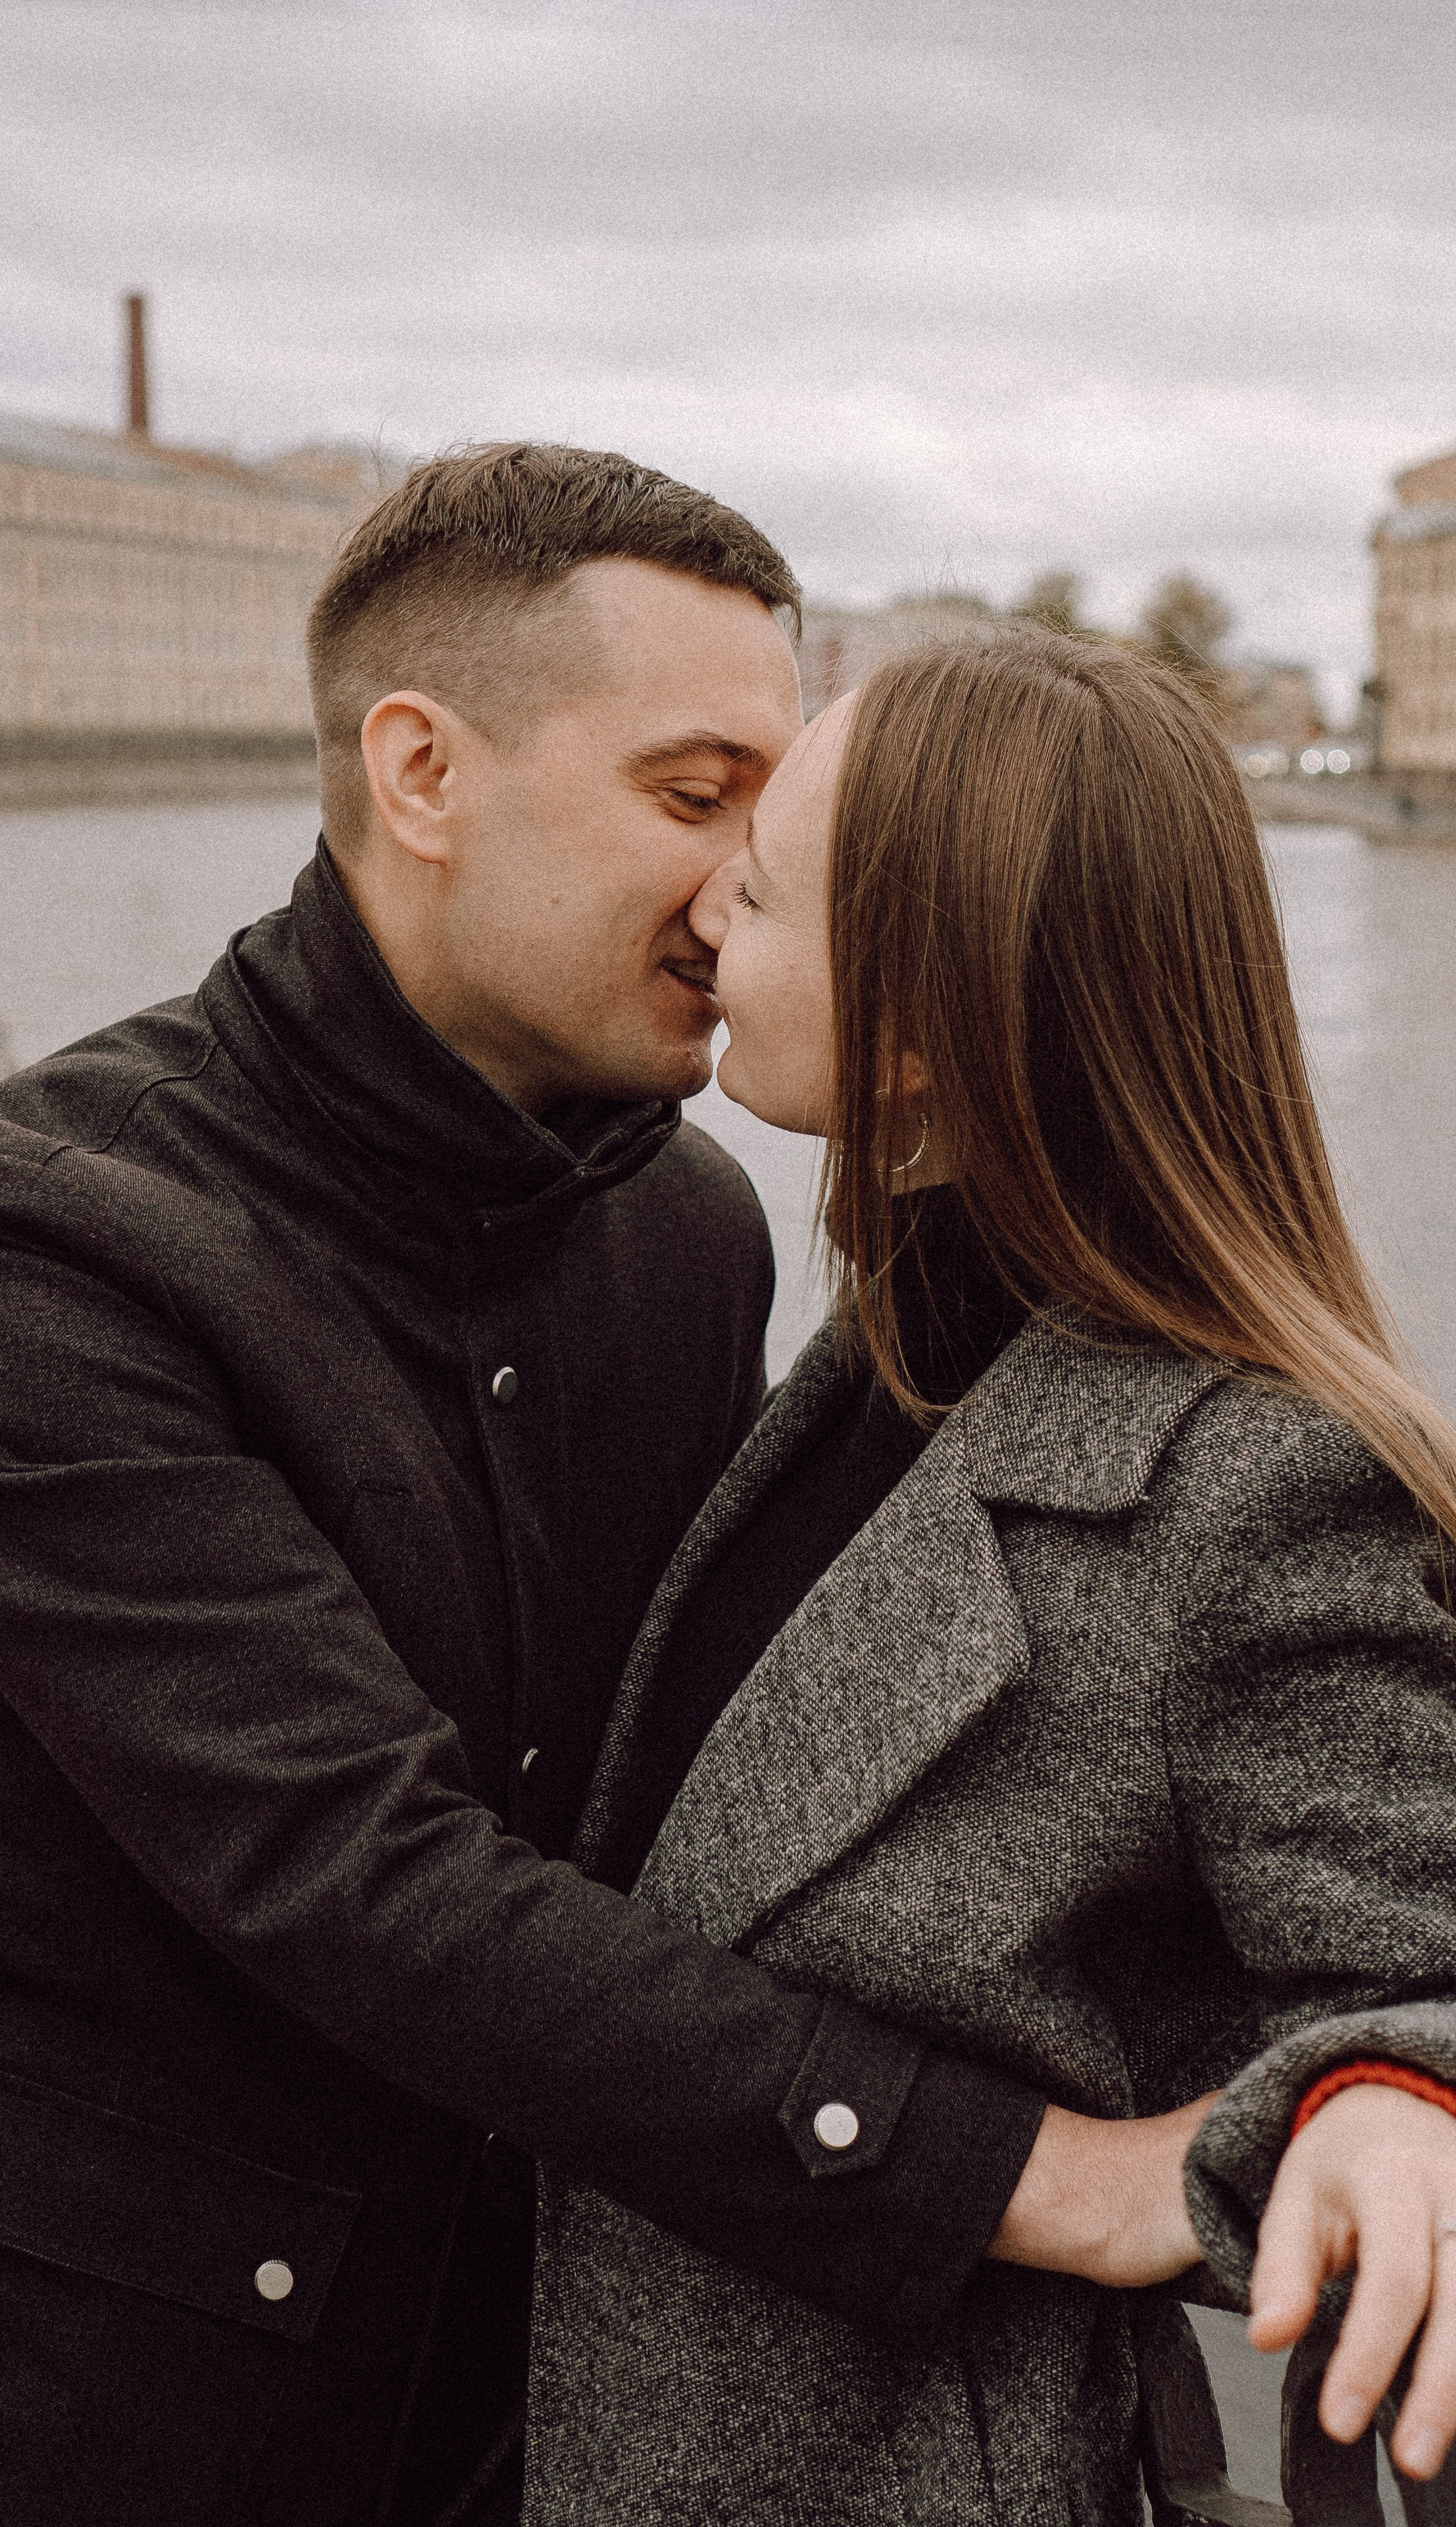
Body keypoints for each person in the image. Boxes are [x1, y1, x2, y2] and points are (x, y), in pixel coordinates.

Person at [0, 451, 1170, 2526]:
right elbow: (363, 1878)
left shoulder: (696, 1226)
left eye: (770, 815)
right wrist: (1015, 2175)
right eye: (691, 794)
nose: (740, 892)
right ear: (424, 772)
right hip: (148, 2427)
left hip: (585, 2421)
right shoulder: (68, 1246)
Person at [522, 631, 1456, 2524]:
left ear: (918, 1021)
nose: (705, 892)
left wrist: (1406, 2109)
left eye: (767, 876)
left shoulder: (1247, 1480)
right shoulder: (890, 1342)